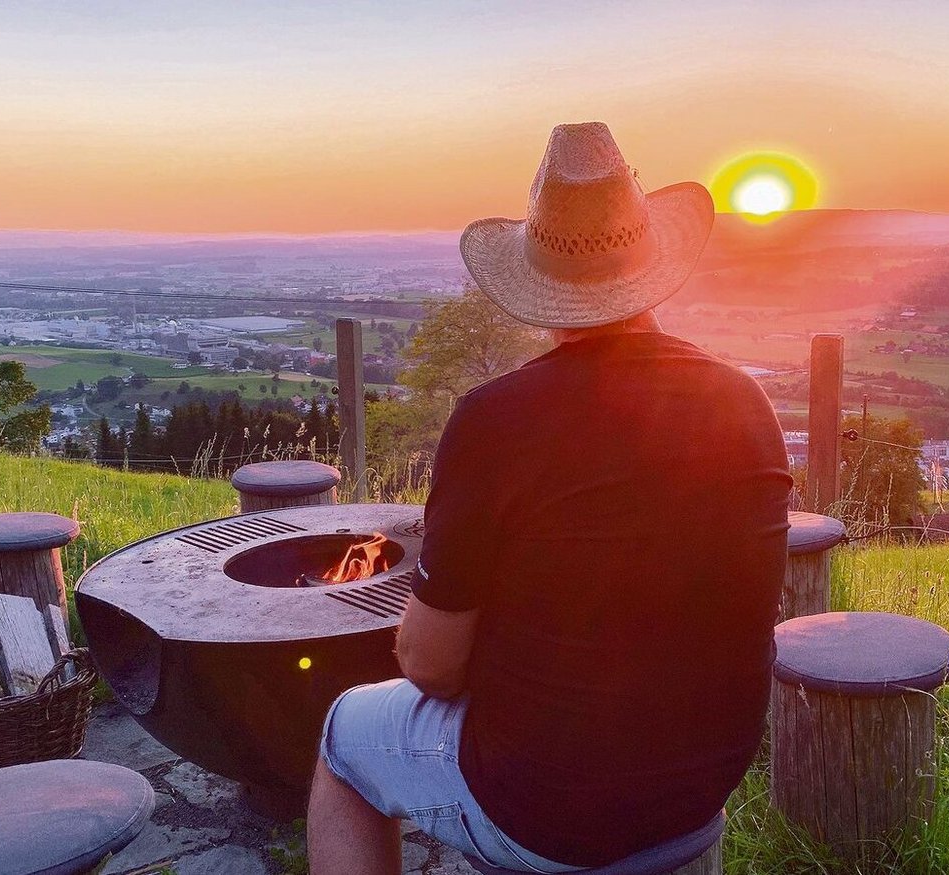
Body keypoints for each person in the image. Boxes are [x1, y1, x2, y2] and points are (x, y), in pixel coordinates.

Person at [309, 122, 792, 874]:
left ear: (539, 286)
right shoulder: (745, 404)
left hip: (547, 807)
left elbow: (431, 666)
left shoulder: (496, 419)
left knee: (342, 739)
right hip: (699, 784)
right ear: (652, 265)